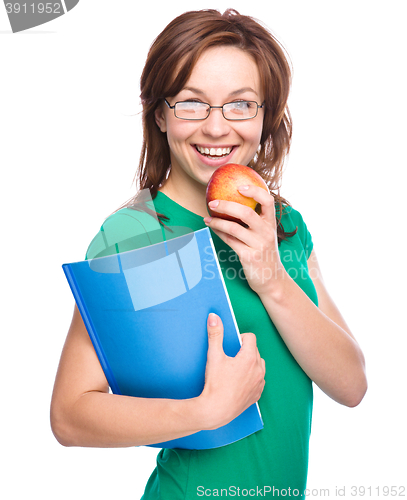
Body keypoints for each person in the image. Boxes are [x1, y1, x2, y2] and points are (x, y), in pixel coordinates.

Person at [50, 9, 367, 499]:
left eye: (241, 105)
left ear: (265, 117)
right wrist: (204, 412)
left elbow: (351, 385)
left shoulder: (281, 225)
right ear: (160, 114)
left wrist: (271, 278)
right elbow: (70, 415)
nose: (217, 128)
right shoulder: (137, 233)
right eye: (192, 104)